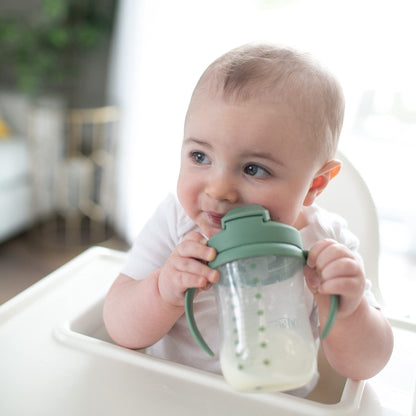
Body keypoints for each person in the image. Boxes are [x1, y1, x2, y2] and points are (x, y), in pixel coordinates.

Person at [103, 43, 393, 396]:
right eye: (200, 156)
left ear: (314, 185)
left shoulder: (325, 243)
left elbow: (365, 366)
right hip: (167, 396)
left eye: (254, 169)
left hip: (276, 404)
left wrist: (349, 311)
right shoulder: (177, 223)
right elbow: (118, 326)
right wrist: (163, 290)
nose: (220, 189)